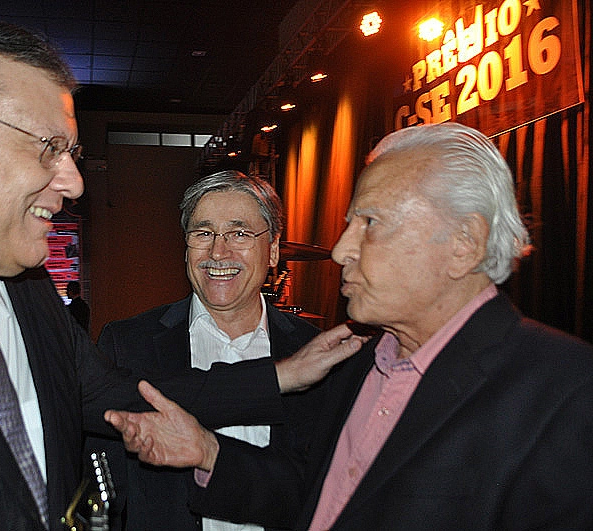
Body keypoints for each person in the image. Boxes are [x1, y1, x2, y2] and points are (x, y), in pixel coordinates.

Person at [0, 20, 363, 530]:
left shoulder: (29, 291)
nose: (74, 182)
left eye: (73, 153)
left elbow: (120, 395)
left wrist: (281, 376)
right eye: (49, 147)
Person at [105, 122, 593, 530]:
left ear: (464, 243)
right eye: (203, 234)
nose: (339, 252)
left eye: (370, 223)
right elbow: (310, 492)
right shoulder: (359, 364)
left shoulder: (567, 390)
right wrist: (209, 450)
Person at [86, 170, 322, 530]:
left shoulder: (314, 353)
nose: (218, 251)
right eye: (203, 233)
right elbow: (103, 491)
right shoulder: (127, 346)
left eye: (239, 233)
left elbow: (327, 488)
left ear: (273, 249)